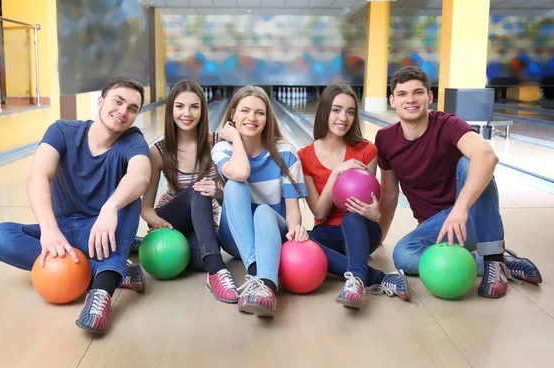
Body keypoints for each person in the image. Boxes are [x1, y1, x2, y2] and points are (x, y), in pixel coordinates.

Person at [0, 77, 151, 334]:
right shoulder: (63, 131)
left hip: (98, 231)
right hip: (60, 232)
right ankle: (112, 269)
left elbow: (140, 176)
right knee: (0, 237)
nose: (123, 111)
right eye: (118, 101)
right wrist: (49, 229)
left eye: (132, 108)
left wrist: (109, 208)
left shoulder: (132, 140)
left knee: (128, 201)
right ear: (100, 102)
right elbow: (38, 176)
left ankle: (101, 292)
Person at [375, 66, 542, 298]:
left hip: (470, 219)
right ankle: (496, 260)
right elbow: (390, 193)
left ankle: (493, 260)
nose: (410, 99)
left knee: (471, 161)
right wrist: (379, 236)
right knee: (403, 255)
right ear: (392, 100)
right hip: (436, 229)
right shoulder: (385, 139)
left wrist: (460, 209)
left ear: (429, 97)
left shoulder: (447, 124)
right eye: (402, 94)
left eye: (418, 92)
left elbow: (487, 155)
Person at [298, 83, 409, 309]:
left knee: (352, 216)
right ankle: (379, 277)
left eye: (350, 112)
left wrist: (375, 213)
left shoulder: (367, 150)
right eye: (336, 110)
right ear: (324, 111)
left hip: (362, 229)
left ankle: (356, 280)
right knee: (296, 240)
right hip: (327, 233)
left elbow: (363, 204)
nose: (343, 118)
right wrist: (337, 172)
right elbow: (319, 211)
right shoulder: (305, 156)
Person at [137, 79, 238, 303]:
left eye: (194, 106)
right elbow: (146, 208)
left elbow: (232, 201)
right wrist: (159, 224)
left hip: (202, 222)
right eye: (180, 106)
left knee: (197, 260)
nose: (187, 113)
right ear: (171, 109)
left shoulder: (217, 143)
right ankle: (217, 271)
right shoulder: (159, 151)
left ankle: (209, 263)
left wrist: (219, 193)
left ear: (203, 109)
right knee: (197, 190)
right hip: (171, 218)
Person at [212, 86, 308, 317]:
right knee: (235, 183)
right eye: (244, 111)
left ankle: (266, 287)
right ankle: (257, 271)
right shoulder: (222, 149)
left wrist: (296, 230)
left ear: (267, 118)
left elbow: (293, 208)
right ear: (232, 114)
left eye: (259, 113)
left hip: (271, 234)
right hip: (234, 237)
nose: (252, 118)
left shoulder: (286, 153)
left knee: (264, 211)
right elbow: (241, 172)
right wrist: (235, 138)